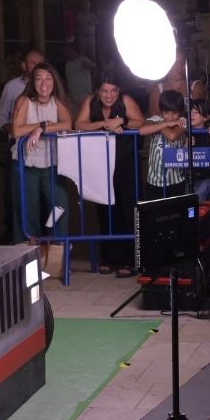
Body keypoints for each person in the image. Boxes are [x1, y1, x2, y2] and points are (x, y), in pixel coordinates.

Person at [74, 73, 146, 277]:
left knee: (128, 210)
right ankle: (109, 258)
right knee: (105, 211)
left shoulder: (126, 101)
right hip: (101, 164)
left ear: (119, 90)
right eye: (104, 90)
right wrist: (104, 124)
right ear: (97, 91)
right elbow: (78, 124)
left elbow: (141, 122)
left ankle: (132, 260)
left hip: (126, 163)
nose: (109, 95)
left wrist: (120, 120)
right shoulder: (91, 101)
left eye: (113, 90)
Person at [10, 62, 73, 268]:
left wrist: (42, 129)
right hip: (27, 163)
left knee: (59, 204)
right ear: (32, 82)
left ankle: (56, 252)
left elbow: (68, 124)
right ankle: (30, 258)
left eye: (48, 78)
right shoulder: (24, 101)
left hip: (53, 163)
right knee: (28, 209)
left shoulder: (58, 102)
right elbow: (17, 131)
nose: (43, 83)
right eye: (38, 78)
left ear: (55, 81)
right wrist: (42, 126)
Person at [0, 46, 47, 242]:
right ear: (24, 65)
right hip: (18, 148)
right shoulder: (12, 87)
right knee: (15, 195)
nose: (36, 67)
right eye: (33, 63)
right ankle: (16, 238)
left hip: (44, 151)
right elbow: (1, 115)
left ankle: (45, 240)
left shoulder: (50, 86)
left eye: (40, 63)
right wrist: (15, 130)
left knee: (43, 197)